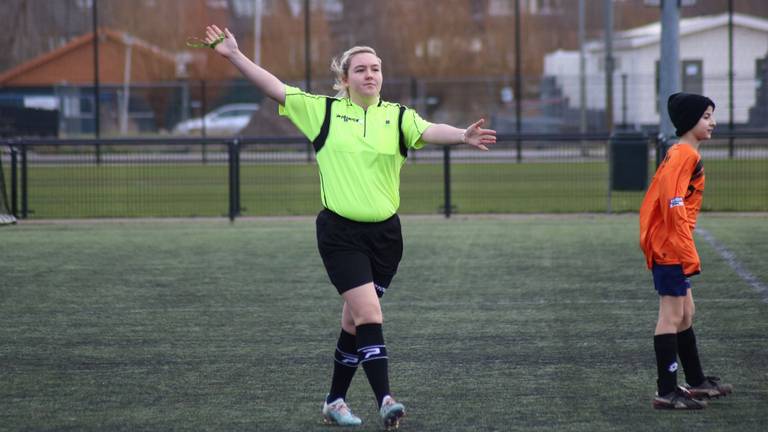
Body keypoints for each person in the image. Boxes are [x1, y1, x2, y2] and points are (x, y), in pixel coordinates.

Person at [201, 25, 496, 428]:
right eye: (360, 69)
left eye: (375, 69)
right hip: (340, 235)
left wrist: (462, 135)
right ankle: (386, 399)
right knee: (370, 313)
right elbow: (275, 87)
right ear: (345, 79)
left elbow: (428, 130)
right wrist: (235, 55)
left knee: (353, 321)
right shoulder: (323, 111)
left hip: (387, 238)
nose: (370, 75)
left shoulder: (396, 117)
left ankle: (334, 401)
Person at [639, 92, 733, 410]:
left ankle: (696, 382)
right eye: (706, 117)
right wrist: (686, 252)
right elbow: (673, 205)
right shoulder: (683, 155)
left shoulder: (682, 153)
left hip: (671, 245)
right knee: (671, 315)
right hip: (670, 248)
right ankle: (666, 391)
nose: (713, 123)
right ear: (690, 121)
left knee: (686, 313)